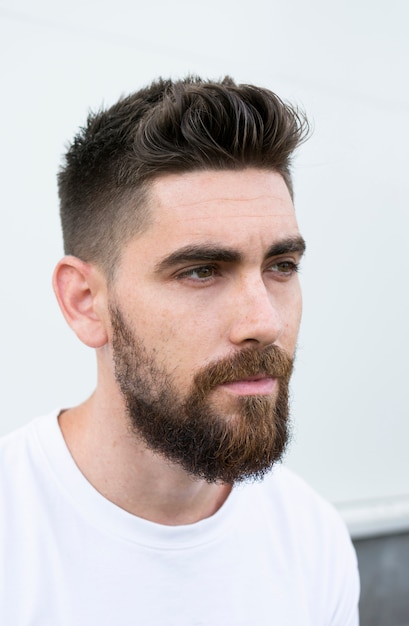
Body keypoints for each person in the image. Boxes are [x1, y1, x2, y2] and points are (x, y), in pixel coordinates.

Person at [0, 76, 359, 624]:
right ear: (85, 302)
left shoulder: (312, 540)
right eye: (200, 271)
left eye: (281, 266)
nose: (263, 321)